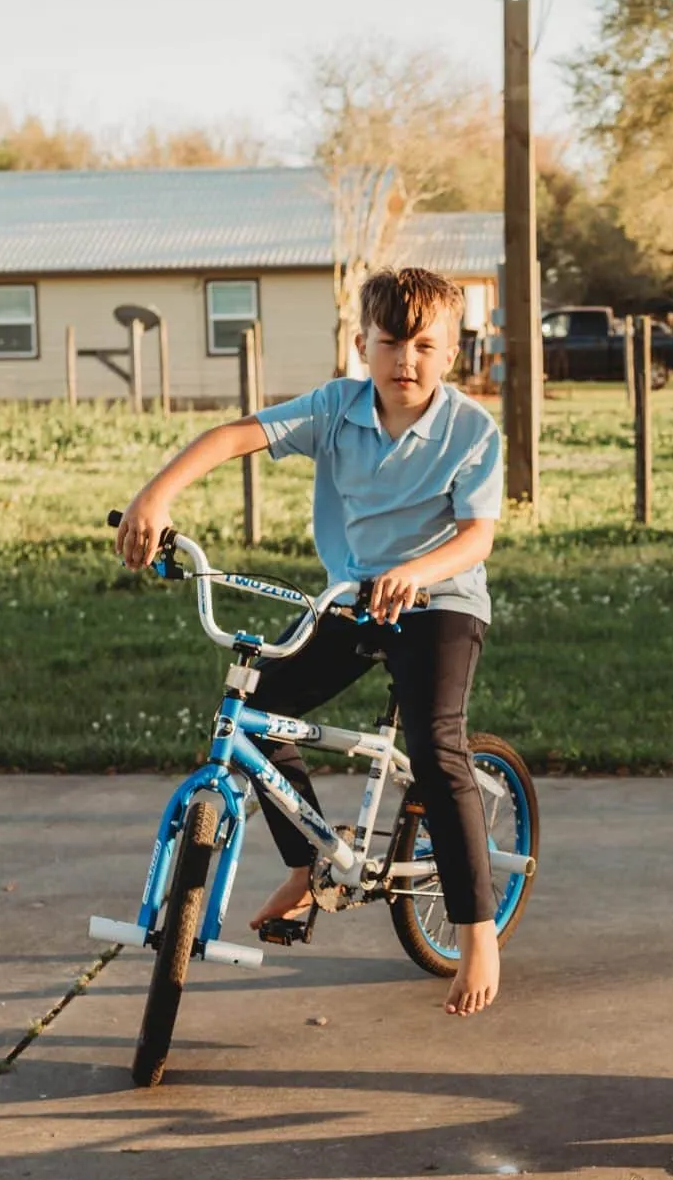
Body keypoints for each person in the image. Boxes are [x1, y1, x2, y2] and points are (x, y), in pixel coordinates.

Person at [116, 268, 506, 1016]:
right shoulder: (336, 408)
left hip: (440, 602)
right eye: (390, 343)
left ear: (452, 353)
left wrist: (415, 572)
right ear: (362, 344)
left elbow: (476, 537)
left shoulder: (471, 430)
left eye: (425, 346)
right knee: (259, 710)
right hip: (351, 600)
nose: (406, 361)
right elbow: (236, 435)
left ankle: (477, 930)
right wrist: (156, 496)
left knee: (435, 748)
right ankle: (308, 866)